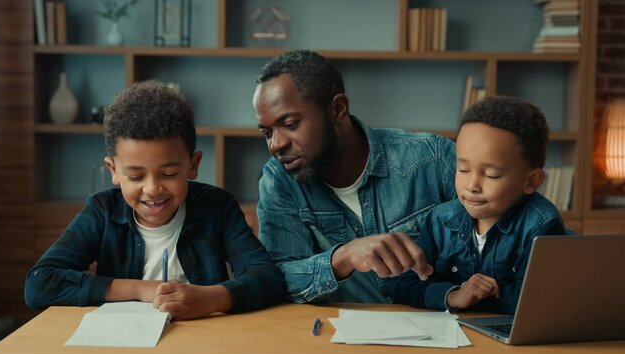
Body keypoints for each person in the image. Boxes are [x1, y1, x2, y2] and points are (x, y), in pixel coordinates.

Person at [25, 81, 285, 319]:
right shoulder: (101, 212)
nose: (152, 189)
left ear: (193, 165)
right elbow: (40, 284)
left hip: (203, 341)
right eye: (136, 176)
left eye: (169, 174)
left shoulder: (218, 207)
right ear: (113, 170)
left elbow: (266, 278)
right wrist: (140, 290)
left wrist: (211, 298)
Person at [252, 50, 456, 303]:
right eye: (267, 133)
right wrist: (343, 258)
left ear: (338, 109)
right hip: (337, 338)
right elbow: (276, 279)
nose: (276, 145)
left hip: (444, 332)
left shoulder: (432, 159)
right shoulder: (279, 180)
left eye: (291, 124)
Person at [386, 96, 566, 314]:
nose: (471, 185)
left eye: (491, 175)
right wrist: (453, 295)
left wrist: (472, 300)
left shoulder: (541, 224)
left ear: (531, 181)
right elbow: (399, 286)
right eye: (462, 170)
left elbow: (533, 303)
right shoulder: (441, 219)